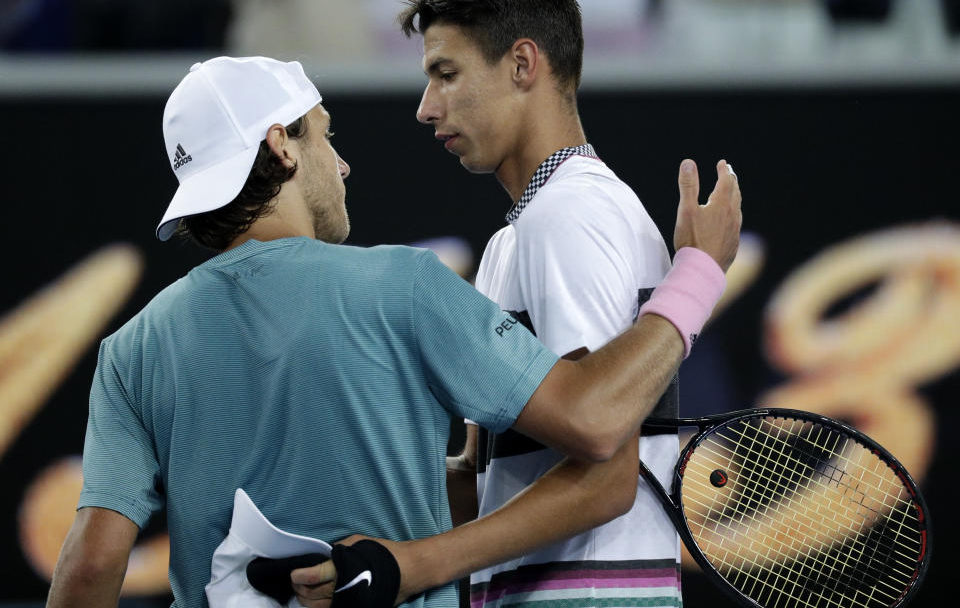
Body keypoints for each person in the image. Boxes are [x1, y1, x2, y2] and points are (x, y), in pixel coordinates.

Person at [45, 55, 739, 608]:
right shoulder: (403, 285)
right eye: (324, 134)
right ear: (280, 146)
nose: (340, 163)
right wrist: (699, 272)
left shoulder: (130, 350)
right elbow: (592, 421)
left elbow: (92, 565)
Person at [400, 0, 685, 608]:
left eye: (447, 74)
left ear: (523, 65)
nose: (426, 107)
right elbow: (486, 474)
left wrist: (418, 562)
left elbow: (603, 476)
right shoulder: (520, 233)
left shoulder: (572, 214)